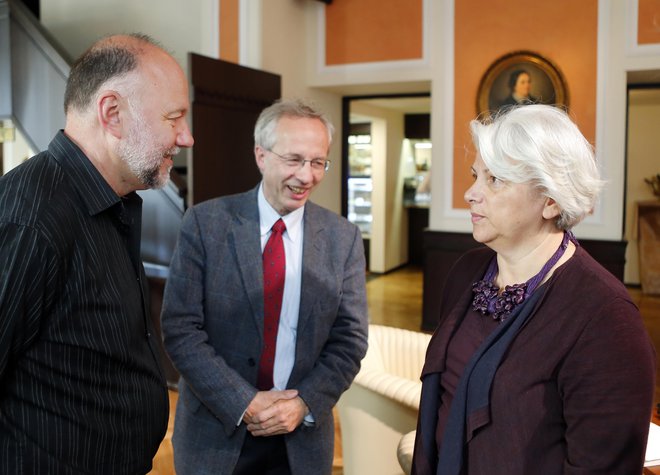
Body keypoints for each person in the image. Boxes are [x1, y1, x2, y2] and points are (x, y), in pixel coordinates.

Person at [411, 105, 655, 475]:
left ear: (551, 199)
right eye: (476, 175)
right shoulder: (467, 272)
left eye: (495, 180)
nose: (470, 193)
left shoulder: (607, 319)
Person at [0, 34, 194, 474]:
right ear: (112, 114)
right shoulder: (31, 217)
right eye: (173, 118)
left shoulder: (113, 202)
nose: (186, 137)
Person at [161, 99, 369, 475]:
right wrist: (246, 402)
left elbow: (350, 340)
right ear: (261, 155)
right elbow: (181, 329)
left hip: (300, 440)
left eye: (318, 162)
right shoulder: (205, 224)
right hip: (215, 434)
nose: (307, 176)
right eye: (294, 159)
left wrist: (304, 403)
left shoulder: (344, 239)